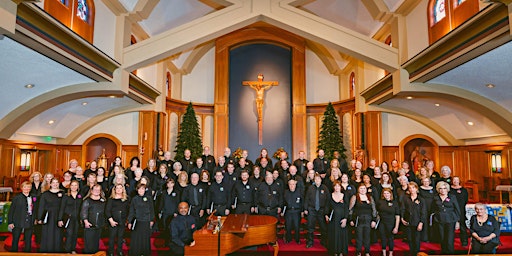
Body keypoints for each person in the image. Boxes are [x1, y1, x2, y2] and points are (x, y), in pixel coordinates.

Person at [432, 181, 460, 254]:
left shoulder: (452, 197)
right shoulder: (435, 197)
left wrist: (457, 221)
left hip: (450, 220)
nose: (442, 190)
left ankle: (450, 254)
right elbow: (433, 208)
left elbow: (457, 209)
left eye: (444, 188)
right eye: (440, 188)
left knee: (449, 239)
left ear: (447, 189)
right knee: (442, 238)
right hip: (439, 220)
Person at [349, 184, 378, 256]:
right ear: (358, 189)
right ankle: (358, 252)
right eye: (361, 188)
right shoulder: (355, 197)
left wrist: (374, 220)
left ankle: (367, 252)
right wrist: (351, 219)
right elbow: (350, 209)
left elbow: (374, 209)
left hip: (368, 219)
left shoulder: (370, 197)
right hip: (359, 219)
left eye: (364, 188)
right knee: (359, 236)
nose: (362, 190)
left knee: (367, 236)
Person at [128, 183, 155, 256]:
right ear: (137, 190)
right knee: (136, 238)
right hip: (137, 221)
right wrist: (129, 221)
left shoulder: (149, 198)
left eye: (143, 189)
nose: (141, 190)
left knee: (145, 238)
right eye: (139, 189)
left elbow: (152, 210)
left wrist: (152, 220)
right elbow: (131, 211)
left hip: (146, 221)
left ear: (145, 190)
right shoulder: (134, 199)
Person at [37, 177, 63, 252]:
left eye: (57, 183)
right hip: (48, 216)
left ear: (59, 184)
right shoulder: (45, 194)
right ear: (50, 184)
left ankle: (57, 250)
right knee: (47, 233)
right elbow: (41, 206)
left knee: (58, 234)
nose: (55, 184)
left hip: (59, 216)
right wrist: (39, 218)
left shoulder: (63, 193)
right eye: (53, 183)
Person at [8, 181, 35, 252]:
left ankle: (27, 253)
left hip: (29, 220)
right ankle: (14, 253)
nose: (27, 189)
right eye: (25, 187)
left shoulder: (33, 197)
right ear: (22, 188)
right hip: (18, 220)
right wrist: (10, 222)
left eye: (28, 187)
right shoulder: (17, 198)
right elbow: (11, 211)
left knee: (28, 239)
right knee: (16, 239)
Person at [401, 181, 426, 256]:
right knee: (410, 239)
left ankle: (417, 253)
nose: (411, 189)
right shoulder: (405, 198)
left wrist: (421, 223)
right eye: (410, 188)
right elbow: (403, 209)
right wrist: (402, 218)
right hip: (408, 222)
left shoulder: (421, 199)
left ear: (416, 189)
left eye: (413, 188)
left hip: (417, 222)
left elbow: (423, 212)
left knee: (417, 240)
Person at [304, 173, 328, 248]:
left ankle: (323, 241)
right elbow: (306, 199)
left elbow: (328, 201)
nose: (317, 180)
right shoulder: (310, 188)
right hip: (312, 209)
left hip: (321, 210)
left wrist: (326, 212)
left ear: (321, 180)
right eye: (316, 179)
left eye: (319, 179)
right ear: (314, 180)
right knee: (310, 226)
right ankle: (310, 242)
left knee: (323, 227)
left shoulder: (325, 188)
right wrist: (305, 208)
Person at [81, 184, 106, 254]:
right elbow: (84, 212)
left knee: (96, 244)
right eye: (95, 189)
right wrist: (86, 222)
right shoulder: (87, 200)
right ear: (91, 191)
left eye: (98, 190)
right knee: (89, 244)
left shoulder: (103, 200)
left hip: (99, 225)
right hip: (89, 225)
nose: (97, 191)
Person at [58, 180, 82, 253]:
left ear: (78, 187)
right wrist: (60, 219)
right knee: (69, 234)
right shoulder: (66, 196)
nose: (74, 187)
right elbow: (62, 208)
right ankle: (67, 250)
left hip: (77, 218)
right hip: (68, 218)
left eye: (75, 185)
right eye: (72, 185)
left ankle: (73, 249)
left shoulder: (80, 196)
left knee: (75, 234)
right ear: (70, 186)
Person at [105, 184, 129, 256]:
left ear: (123, 189)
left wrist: (127, 220)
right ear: (114, 190)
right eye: (117, 188)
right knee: (112, 237)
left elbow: (128, 210)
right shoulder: (111, 199)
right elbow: (107, 210)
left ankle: (119, 251)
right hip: (113, 221)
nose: (119, 189)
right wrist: (111, 220)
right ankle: (111, 252)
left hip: (122, 221)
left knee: (120, 237)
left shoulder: (126, 199)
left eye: (120, 188)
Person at [326, 181, 349, 256]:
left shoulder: (344, 195)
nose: (337, 188)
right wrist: (326, 215)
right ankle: (335, 252)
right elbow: (327, 207)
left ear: (341, 187)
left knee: (341, 236)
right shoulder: (330, 195)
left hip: (342, 219)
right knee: (333, 235)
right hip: (333, 220)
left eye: (338, 186)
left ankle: (341, 252)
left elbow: (346, 208)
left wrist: (345, 218)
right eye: (335, 186)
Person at [376, 188, 400, 256]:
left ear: (390, 194)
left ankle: (390, 253)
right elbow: (376, 212)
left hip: (391, 223)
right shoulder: (380, 202)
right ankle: (383, 253)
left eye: (388, 193)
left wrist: (396, 227)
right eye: (385, 193)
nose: (386, 195)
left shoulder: (395, 203)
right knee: (382, 238)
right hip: (382, 222)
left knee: (390, 238)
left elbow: (397, 215)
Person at [158, 178, 180, 243]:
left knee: (172, 228)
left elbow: (178, 203)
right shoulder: (164, 193)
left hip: (173, 213)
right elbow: (161, 203)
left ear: (173, 184)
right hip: (165, 212)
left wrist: (176, 212)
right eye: (168, 183)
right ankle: (166, 241)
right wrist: (159, 211)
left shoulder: (177, 192)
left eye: (171, 183)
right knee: (165, 227)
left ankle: (172, 241)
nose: (170, 184)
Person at [282, 179, 304, 244]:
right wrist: (282, 211)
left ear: (295, 185)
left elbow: (302, 202)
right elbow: (283, 202)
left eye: (293, 184)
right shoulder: (285, 192)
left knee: (297, 226)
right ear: (288, 185)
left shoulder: (299, 192)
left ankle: (297, 239)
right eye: (290, 184)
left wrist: (302, 211)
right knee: (288, 226)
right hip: (288, 211)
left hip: (297, 212)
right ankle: (288, 239)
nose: (292, 186)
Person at [450, 176, 469, 246]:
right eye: (454, 180)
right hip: (451, 210)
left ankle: (464, 241)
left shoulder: (463, 190)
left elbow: (466, 199)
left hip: (461, 209)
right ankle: (450, 241)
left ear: (459, 181)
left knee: (462, 226)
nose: (455, 181)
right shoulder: (449, 189)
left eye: (457, 180)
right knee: (451, 227)